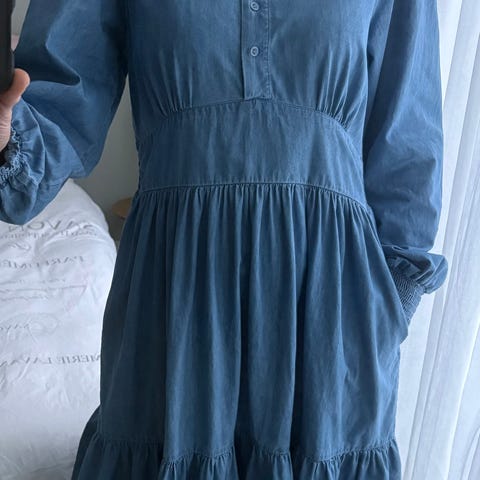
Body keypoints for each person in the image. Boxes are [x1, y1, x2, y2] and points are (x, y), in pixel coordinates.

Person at [0, 0, 448, 478]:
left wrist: (388, 304)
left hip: (331, 299)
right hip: (176, 286)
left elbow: (408, 139)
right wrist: (11, 138)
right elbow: (54, 106)